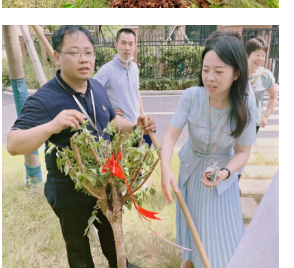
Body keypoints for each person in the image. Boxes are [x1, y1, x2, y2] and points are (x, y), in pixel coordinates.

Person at [6, 26, 155, 268]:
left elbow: (110, 121)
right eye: (75, 52)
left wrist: (135, 126)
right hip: (68, 193)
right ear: (57, 57)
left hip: (104, 184)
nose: (84, 58)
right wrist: (53, 126)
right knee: (78, 251)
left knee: (113, 236)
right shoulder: (44, 99)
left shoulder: (95, 87)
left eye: (88, 52)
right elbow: (13, 143)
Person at [160, 31, 257, 268]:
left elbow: (243, 152)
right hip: (192, 171)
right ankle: (190, 260)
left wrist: (225, 172)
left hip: (223, 174)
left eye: (219, 71)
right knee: (195, 225)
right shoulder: (191, 97)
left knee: (222, 236)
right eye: (206, 70)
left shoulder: (245, 105)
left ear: (236, 73)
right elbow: (171, 135)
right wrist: (165, 169)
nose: (210, 78)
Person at [93, 28, 151, 146]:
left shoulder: (134, 67)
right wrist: (108, 112)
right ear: (116, 45)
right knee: (120, 164)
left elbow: (136, 92)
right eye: (123, 43)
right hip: (120, 131)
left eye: (130, 44)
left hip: (137, 126)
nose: (127, 48)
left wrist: (142, 114)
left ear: (135, 46)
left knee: (139, 162)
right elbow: (91, 93)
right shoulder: (107, 70)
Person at [245, 37, 278, 132]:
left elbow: (273, 96)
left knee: (245, 147)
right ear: (247, 54)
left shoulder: (266, 75)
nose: (261, 59)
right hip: (231, 120)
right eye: (257, 55)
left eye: (263, 55)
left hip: (253, 122)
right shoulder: (236, 72)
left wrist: (265, 116)